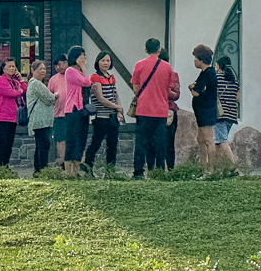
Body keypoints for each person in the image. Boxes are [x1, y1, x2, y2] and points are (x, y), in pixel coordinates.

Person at [131, 38, 179, 177]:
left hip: (144, 108)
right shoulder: (167, 67)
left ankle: (138, 172)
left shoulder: (139, 65)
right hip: (161, 109)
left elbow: (135, 88)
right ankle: (159, 170)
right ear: (159, 49)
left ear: (146, 49)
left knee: (141, 142)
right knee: (160, 142)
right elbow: (169, 88)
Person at [85, 52, 126, 174]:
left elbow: (115, 94)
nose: (105, 63)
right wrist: (116, 106)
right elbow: (100, 98)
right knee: (96, 143)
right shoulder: (95, 77)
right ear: (98, 62)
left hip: (112, 116)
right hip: (102, 117)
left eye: (108, 61)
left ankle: (110, 170)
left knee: (112, 145)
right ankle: (87, 167)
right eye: (103, 60)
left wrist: (119, 110)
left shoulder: (110, 76)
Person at [61, 46, 93, 176]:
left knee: (81, 139)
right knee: (72, 139)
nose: (84, 58)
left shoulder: (79, 71)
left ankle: (77, 168)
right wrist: (84, 68)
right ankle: (69, 171)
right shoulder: (70, 70)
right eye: (82, 55)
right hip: (73, 109)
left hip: (82, 109)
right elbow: (86, 82)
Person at [0, 57, 25, 169]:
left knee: (9, 142)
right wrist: (18, 91)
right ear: (3, 68)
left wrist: (20, 79)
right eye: (9, 66)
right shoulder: (0, 80)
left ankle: (5, 165)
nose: (12, 68)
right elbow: (10, 93)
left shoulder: (14, 81)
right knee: (2, 142)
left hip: (12, 117)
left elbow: (24, 90)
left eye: (13, 66)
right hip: (1, 116)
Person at [190, 44, 219, 173]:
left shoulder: (209, 73)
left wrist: (192, 88)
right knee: (201, 139)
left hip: (206, 110)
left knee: (208, 140)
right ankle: (202, 167)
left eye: (196, 58)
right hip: (201, 111)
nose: (194, 61)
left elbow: (197, 91)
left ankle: (210, 169)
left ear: (201, 59)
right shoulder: (203, 73)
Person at [27, 59, 57, 174]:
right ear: (33, 70)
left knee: (40, 145)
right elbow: (50, 98)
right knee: (44, 145)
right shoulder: (36, 83)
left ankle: (38, 170)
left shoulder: (34, 83)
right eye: (40, 69)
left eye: (44, 69)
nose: (43, 71)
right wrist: (56, 95)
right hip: (40, 120)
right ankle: (42, 170)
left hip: (41, 120)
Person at [214, 55, 240, 166]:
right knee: (219, 143)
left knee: (222, 141)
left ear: (219, 66)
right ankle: (220, 167)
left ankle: (233, 167)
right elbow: (237, 98)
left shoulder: (217, 79)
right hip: (231, 115)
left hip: (220, 115)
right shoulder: (234, 81)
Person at [49, 57, 70, 166]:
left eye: (60, 64)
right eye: (56, 65)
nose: (58, 67)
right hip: (58, 114)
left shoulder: (72, 76)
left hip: (71, 112)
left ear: (66, 63)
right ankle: (62, 160)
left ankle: (73, 161)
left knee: (71, 137)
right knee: (60, 138)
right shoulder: (53, 79)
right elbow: (49, 95)